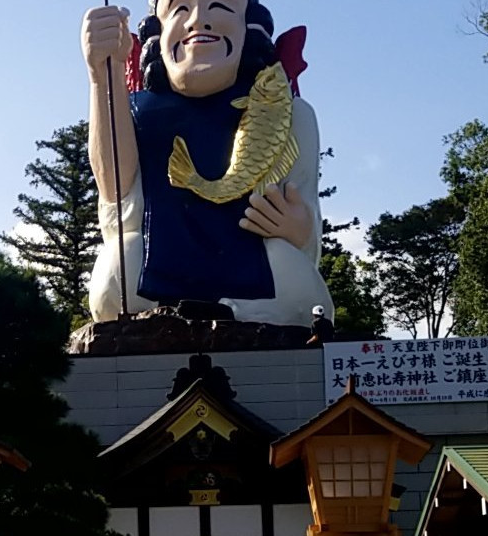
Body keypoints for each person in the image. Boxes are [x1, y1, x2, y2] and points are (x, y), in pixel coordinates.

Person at [81, 0, 334, 326]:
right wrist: (103, 78)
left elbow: (304, 214)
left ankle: (232, 317)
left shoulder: (287, 112)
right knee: (115, 274)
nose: (199, 21)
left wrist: (299, 228)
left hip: (251, 260)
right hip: (159, 252)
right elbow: (117, 196)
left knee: (298, 287)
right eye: (180, 9)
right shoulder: (133, 110)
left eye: (220, 7)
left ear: (249, 27)